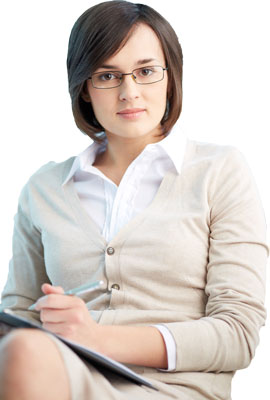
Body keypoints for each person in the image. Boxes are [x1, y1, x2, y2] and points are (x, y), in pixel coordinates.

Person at [0, 1, 268, 399]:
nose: (129, 92)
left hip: (174, 390)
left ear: (170, 78)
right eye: (107, 75)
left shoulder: (220, 171)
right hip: (61, 377)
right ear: (85, 88)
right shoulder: (43, 188)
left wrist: (96, 337)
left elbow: (237, 334)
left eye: (145, 71)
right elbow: (17, 316)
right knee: (20, 348)